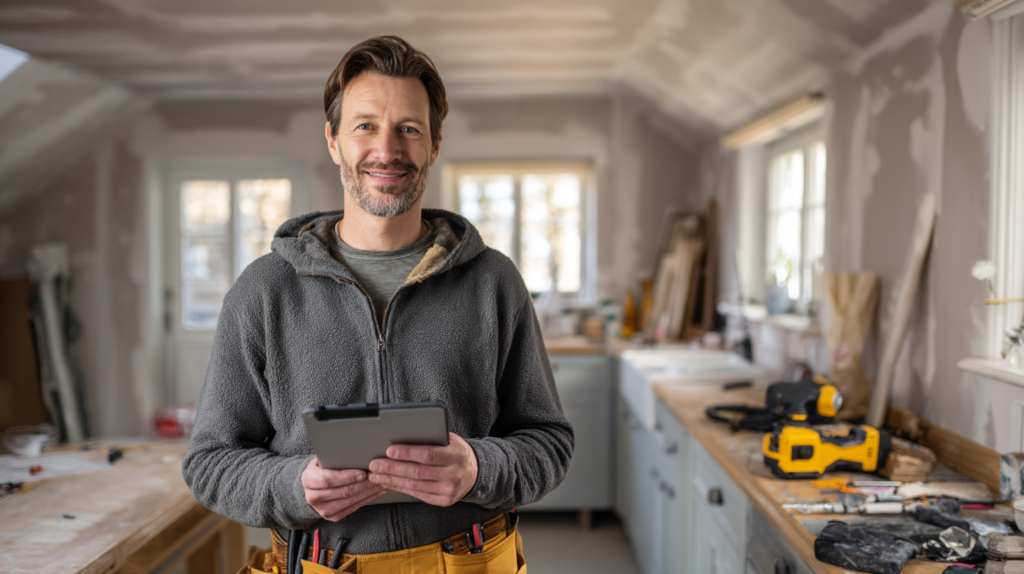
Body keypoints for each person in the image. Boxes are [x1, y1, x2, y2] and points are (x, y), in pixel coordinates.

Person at [181, 35, 573, 573]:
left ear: (434, 145)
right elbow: (210, 464)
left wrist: (480, 467)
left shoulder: (493, 282)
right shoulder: (264, 291)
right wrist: (294, 486)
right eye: (365, 125)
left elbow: (549, 444)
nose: (386, 150)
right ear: (334, 140)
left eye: (408, 129)